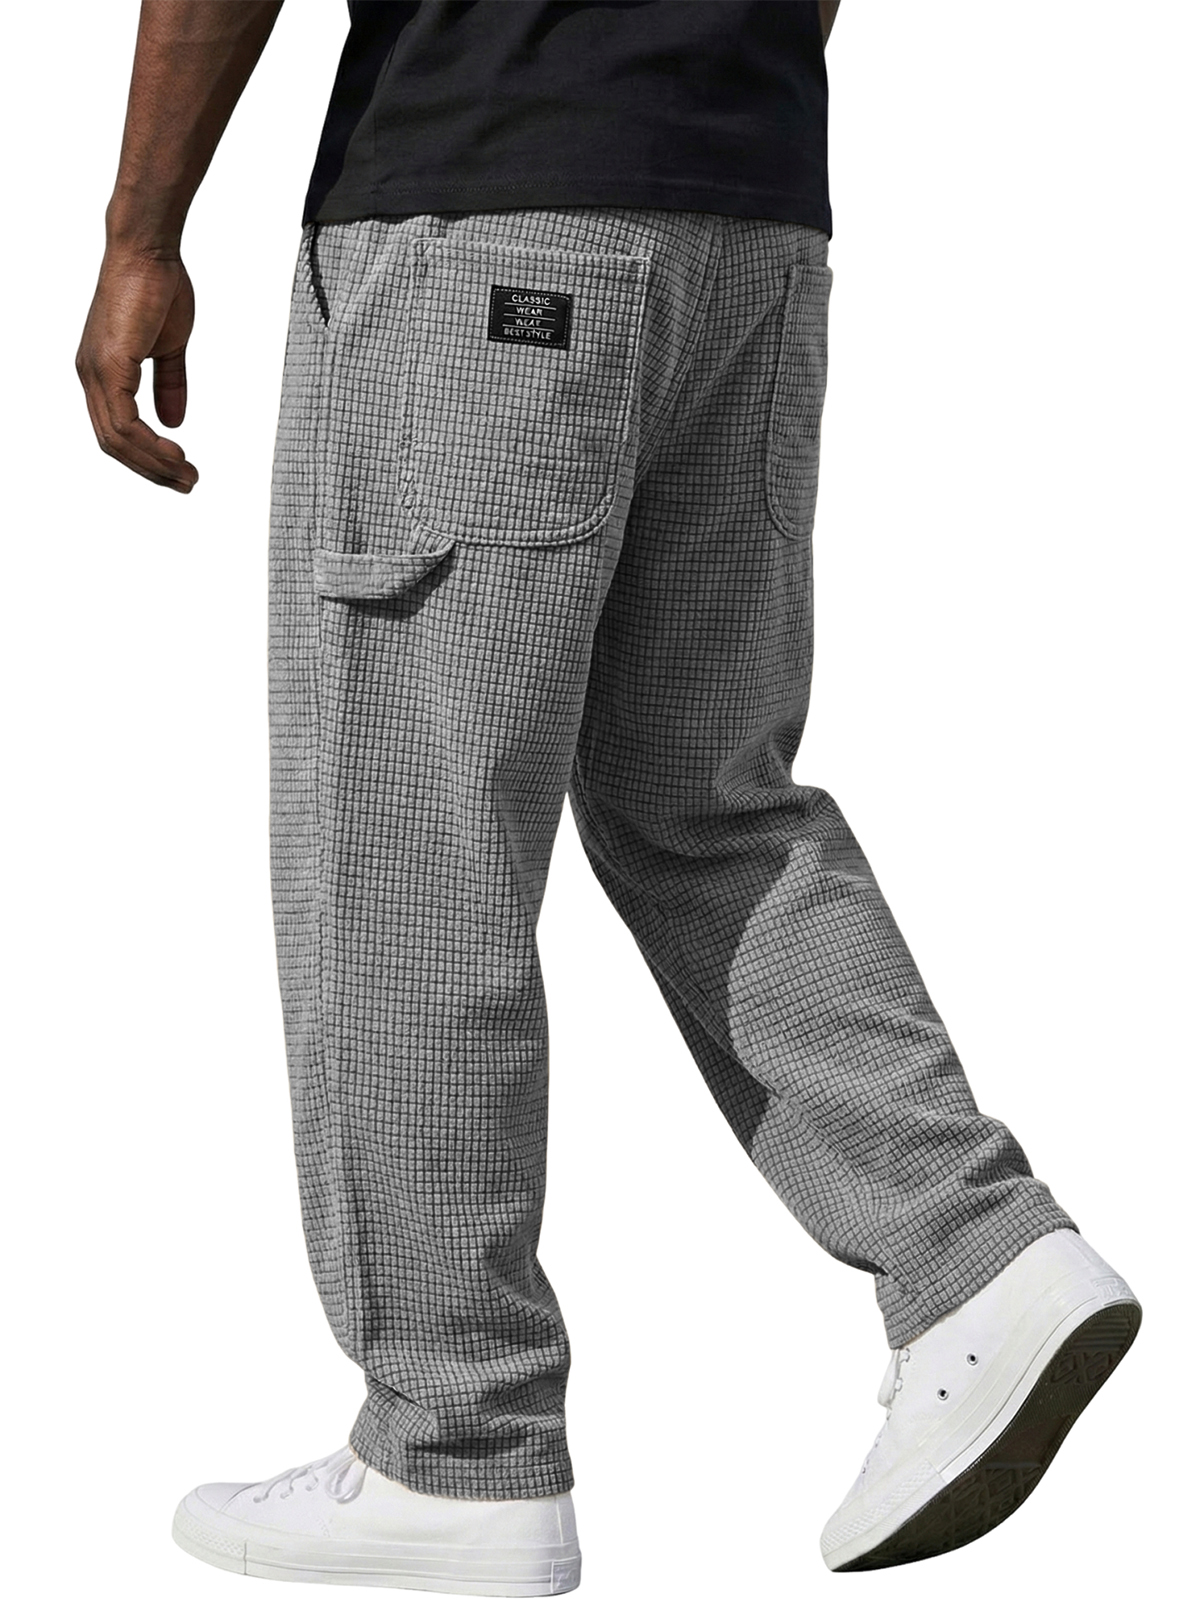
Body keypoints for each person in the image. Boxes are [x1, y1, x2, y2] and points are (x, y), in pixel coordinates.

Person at [76, 2, 1141, 1590]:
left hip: (483, 204)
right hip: (752, 224)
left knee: (412, 837)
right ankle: (978, 1255)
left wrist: (140, 234)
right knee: (705, 802)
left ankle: (455, 1443)